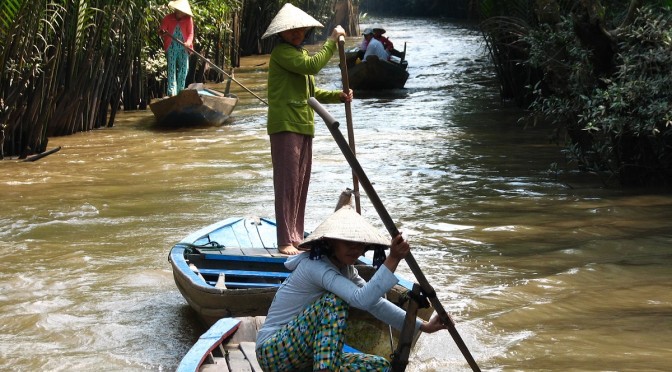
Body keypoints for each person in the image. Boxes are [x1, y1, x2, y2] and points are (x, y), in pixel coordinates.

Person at [255, 205, 448, 371]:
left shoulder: (347, 271)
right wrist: (393, 259)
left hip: (306, 358)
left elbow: (375, 304)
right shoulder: (314, 266)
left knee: (380, 366)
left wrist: (424, 326)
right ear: (330, 242)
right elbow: (360, 299)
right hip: (273, 353)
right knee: (334, 301)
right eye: (348, 243)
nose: (355, 249)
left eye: (359, 244)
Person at [261, 3, 353, 256]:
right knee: (287, 184)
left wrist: (339, 96)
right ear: (281, 34)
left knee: (301, 184)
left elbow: (311, 93)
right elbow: (314, 66)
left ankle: (296, 236)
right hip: (285, 124)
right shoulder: (283, 54)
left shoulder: (299, 55)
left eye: (301, 30)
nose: (297, 34)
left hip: (304, 124)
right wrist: (332, 42)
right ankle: (284, 241)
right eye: (291, 31)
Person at [159, 0, 194, 96]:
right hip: (171, 47)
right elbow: (162, 30)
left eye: (181, 11)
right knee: (171, 69)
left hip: (184, 48)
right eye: (177, 10)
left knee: (184, 69)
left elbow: (191, 34)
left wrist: (188, 42)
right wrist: (163, 31)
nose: (178, 12)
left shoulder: (188, 19)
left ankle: (180, 92)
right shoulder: (168, 18)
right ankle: (172, 92)